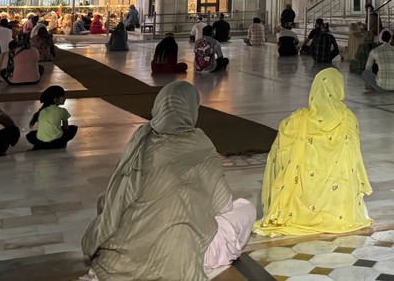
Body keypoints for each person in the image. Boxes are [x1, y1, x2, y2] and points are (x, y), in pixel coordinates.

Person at [82, 82, 256, 279]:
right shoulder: (198, 143)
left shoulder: (141, 138)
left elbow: (115, 193)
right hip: (177, 255)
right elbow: (223, 206)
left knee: (108, 203)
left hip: (120, 258)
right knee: (245, 209)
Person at [255, 68, 372, 236]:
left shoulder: (297, 121)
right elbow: (354, 160)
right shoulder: (348, 118)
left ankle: (304, 214)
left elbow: (281, 151)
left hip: (301, 204)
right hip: (340, 204)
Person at [26, 85, 79, 150]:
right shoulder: (62, 111)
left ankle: (42, 145)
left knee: (31, 135)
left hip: (41, 142)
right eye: (63, 96)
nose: (65, 98)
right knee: (73, 128)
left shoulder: (42, 111)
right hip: (56, 142)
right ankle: (58, 143)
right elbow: (66, 128)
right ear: (56, 100)